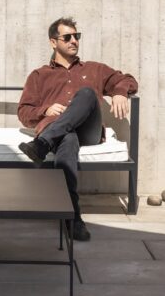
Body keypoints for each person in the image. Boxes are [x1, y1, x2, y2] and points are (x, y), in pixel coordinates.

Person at [17, 16, 138, 242]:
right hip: (62, 133)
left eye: (76, 36)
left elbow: (129, 80)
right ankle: (73, 218)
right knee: (68, 138)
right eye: (67, 37)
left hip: (88, 131)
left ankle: (42, 143)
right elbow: (24, 112)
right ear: (53, 42)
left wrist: (120, 92)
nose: (74, 41)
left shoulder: (94, 69)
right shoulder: (39, 76)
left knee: (87, 93)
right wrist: (45, 110)